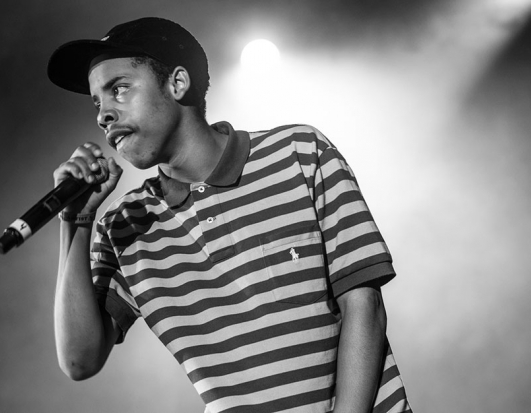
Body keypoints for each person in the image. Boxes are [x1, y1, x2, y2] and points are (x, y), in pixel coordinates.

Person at [47, 17, 412, 413]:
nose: (103, 114)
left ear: (177, 83)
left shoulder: (300, 153)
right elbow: (79, 360)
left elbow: (364, 305)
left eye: (118, 89)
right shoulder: (124, 224)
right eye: (97, 103)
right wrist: (75, 222)